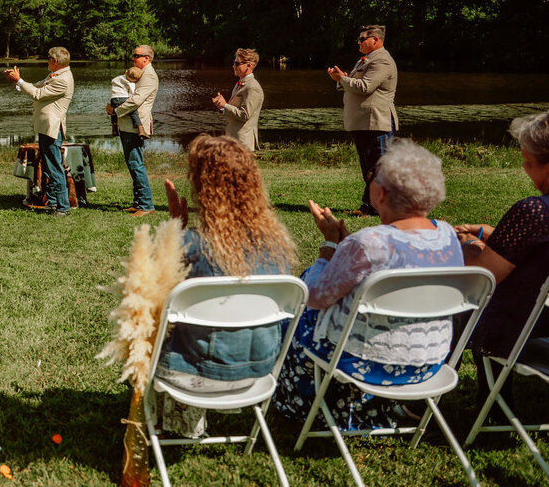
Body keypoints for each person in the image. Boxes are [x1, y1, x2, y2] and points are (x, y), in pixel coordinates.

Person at [273, 138, 463, 429]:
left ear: (381, 193)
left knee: (294, 308)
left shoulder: (370, 243)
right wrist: (347, 246)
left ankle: (299, 402)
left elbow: (315, 297)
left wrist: (329, 247)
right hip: (428, 365)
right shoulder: (448, 236)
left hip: (365, 364)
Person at [153, 135, 296, 437]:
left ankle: (178, 425)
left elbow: (151, 295)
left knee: (150, 330)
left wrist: (173, 232)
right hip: (261, 372)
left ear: (202, 188)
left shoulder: (191, 245)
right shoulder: (277, 246)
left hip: (194, 376)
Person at [456, 112, 549, 358]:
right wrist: (500, 235)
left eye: (528, 162)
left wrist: (469, 242)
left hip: (524, 329)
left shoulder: (535, 212)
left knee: (458, 304)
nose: (524, 168)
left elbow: (484, 276)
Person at [328, 25, 398, 216]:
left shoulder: (382, 60)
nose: (358, 42)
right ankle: (369, 205)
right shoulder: (366, 60)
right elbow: (353, 84)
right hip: (364, 122)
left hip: (377, 122)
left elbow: (365, 87)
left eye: (362, 39)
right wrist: (340, 79)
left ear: (376, 40)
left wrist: (342, 78)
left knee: (379, 168)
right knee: (369, 168)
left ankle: (379, 207)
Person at [7, 46, 75, 216]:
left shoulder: (63, 80)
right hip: (46, 127)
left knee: (54, 167)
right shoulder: (57, 75)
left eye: (48, 58)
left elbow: (37, 94)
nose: (46, 61)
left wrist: (19, 81)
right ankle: (52, 202)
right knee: (47, 166)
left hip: (52, 128)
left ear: (55, 62)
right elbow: (37, 87)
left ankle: (62, 207)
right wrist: (18, 81)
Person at [106, 45, 157, 217]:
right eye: (133, 55)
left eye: (136, 55)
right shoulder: (142, 73)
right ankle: (138, 203)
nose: (133, 58)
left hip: (136, 126)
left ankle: (146, 205)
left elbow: (135, 100)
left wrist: (115, 111)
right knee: (133, 163)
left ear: (146, 58)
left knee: (136, 164)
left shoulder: (149, 76)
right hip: (129, 125)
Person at [213, 48, 263, 151]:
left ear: (249, 65)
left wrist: (225, 105)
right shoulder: (239, 84)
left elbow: (245, 115)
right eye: (234, 63)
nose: (233, 66)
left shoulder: (253, 88)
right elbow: (235, 110)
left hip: (243, 143)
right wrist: (222, 106)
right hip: (233, 140)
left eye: (237, 63)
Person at [109, 65, 147, 138]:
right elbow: (132, 93)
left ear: (126, 72)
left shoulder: (117, 78)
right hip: (123, 98)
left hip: (113, 99)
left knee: (113, 113)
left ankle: (114, 128)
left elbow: (113, 83)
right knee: (133, 112)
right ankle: (140, 128)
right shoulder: (131, 83)